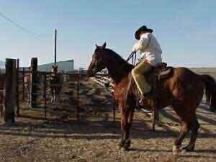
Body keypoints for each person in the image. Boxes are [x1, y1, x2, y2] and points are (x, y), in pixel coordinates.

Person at [131, 25, 162, 99]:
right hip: (157, 59)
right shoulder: (151, 36)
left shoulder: (145, 35)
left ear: (141, 32)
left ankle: (147, 91)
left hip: (150, 59)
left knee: (135, 72)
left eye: (139, 36)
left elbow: (142, 44)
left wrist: (134, 48)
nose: (139, 38)